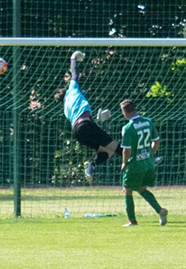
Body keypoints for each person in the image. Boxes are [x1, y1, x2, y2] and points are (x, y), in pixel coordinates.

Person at [54, 50, 122, 181]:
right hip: (85, 125)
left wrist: (98, 119)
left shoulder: (66, 109)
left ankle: (92, 165)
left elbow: (80, 121)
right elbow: (75, 74)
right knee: (115, 146)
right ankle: (144, 161)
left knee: (107, 151)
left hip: (78, 132)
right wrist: (73, 58)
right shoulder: (72, 90)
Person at [119, 99, 168, 227]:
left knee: (127, 190)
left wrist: (124, 163)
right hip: (148, 163)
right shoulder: (148, 122)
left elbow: (126, 150)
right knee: (141, 189)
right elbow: (156, 141)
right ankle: (160, 210)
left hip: (135, 165)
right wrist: (150, 154)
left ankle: (132, 221)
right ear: (134, 109)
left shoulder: (128, 128)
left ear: (124, 112)